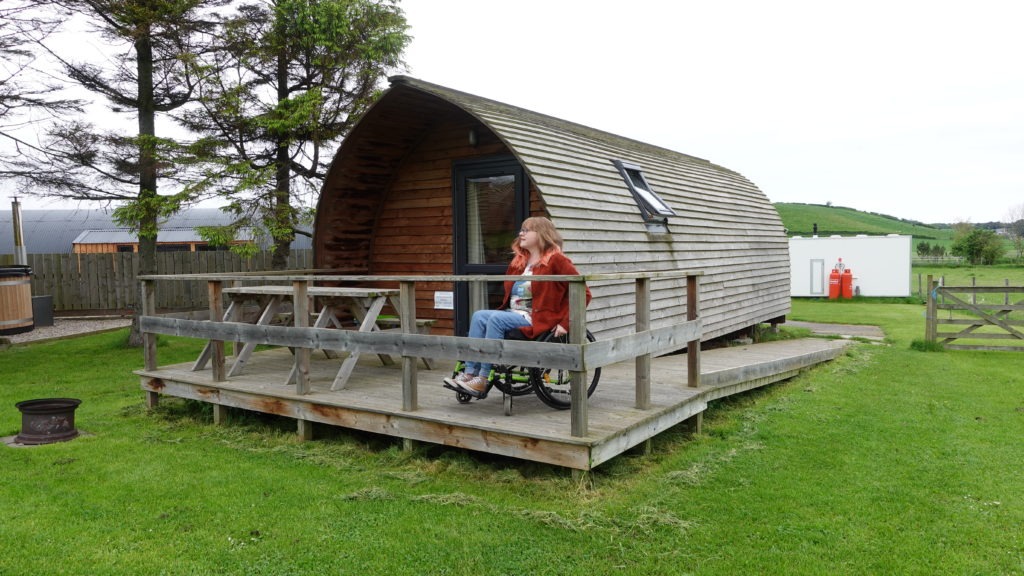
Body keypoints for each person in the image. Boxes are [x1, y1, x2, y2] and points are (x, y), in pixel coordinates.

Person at [444, 216, 591, 397]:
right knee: (479, 316)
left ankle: (483, 378)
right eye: (521, 230)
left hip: (537, 319)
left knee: (496, 319)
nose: (521, 233)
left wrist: (565, 323)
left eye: (526, 230)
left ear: (542, 234)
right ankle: (469, 373)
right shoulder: (519, 262)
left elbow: (584, 293)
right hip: (514, 314)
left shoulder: (557, 260)